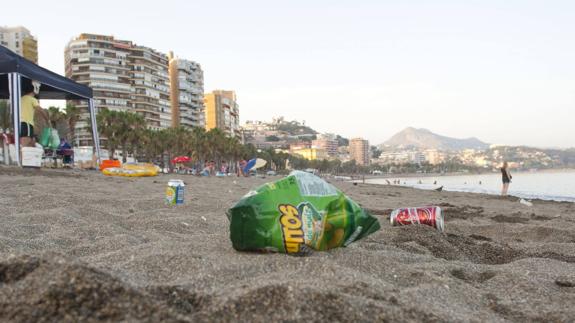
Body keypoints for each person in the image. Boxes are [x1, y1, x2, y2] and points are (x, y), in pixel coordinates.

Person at [20, 81, 48, 147]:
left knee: (31, 142)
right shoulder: (32, 99)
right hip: (27, 123)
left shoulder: (21, 98)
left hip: (22, 124)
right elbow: (40, 110)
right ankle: (23, 157)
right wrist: (47, 119)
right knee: (25, 146)